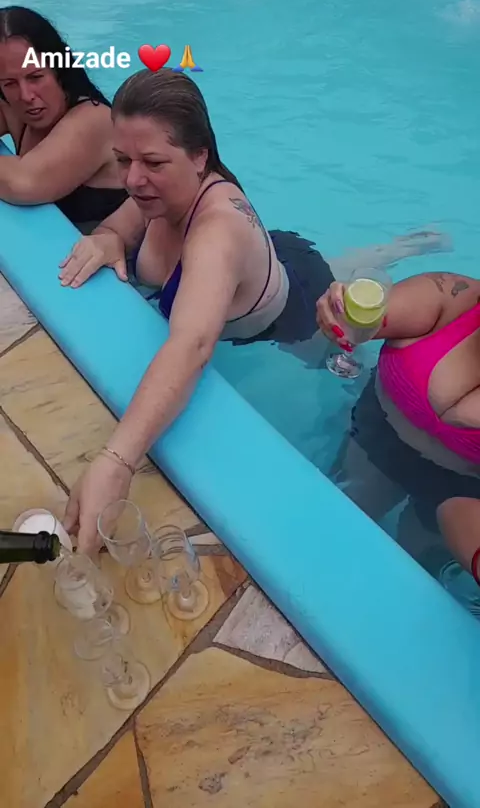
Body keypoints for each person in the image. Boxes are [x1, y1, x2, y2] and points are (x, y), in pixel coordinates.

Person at [59, 68, 452, 552]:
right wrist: (107, 238)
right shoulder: (161, 186)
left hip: (291, 323)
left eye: (152, 162)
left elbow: (192, 346)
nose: (133, 179)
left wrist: (117, 461)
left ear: (200, 156)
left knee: (349, 379)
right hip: (273, 260)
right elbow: (126, 222)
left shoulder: (215, 237)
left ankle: (401, 251)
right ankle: (394, 248)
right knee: (316, 270)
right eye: (122, 159)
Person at [316, 271, 480, 570]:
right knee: (333, 523)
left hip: (462, 486)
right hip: (378, 440)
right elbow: (369, 315)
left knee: (410, 566)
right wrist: (341, 311)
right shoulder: (450, 298)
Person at [0, 6, 127, 233]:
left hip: (110, 250)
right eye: (10, 83)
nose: (26, 95)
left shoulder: (93, 120)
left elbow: (24, 183)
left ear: (59, 69)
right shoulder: (12, 108)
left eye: (36, 77)